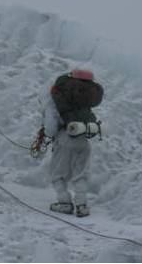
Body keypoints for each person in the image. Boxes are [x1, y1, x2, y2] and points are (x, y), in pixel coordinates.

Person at [35, 69, 103, 217]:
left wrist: (47, 133)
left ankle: (64, 202)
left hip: (65, 137)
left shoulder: (56, 100)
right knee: (81, 173)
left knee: (57, 173)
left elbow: (51, 128)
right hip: (83, 138)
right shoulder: (85, 102)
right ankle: (81, 205)